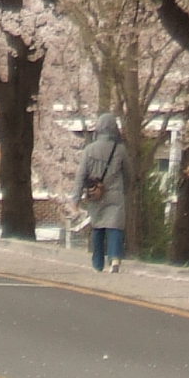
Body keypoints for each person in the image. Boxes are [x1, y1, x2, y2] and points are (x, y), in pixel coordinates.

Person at [75, 115, 132, 273]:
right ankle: (114, 260)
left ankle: (97, 263)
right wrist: (125, 189)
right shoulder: (120, 149)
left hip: (96, 194)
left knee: (98, 226)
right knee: (115, 227)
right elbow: (128, 173)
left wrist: (76, 198)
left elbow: (80, 175)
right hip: (115, 194)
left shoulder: (89, 150)